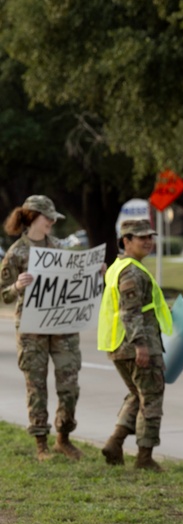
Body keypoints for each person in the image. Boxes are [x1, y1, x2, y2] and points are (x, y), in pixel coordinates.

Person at [1, 195, 84, 461]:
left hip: (62, 326)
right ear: (32, 217)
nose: (51, 222)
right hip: (31, 329)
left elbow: (76, 281)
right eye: (47, 217)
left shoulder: (59, 249)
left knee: (69, 384)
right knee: (36, 385)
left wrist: (93, 272)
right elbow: (3, 295)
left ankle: (64, 438)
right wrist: (16, 287)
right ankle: (41, 444)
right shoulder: (16, 253)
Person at [98, 218, 173, 471]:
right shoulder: (131, 271)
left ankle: (115, 442)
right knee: (151, 398)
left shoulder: (118, 267)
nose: (148, 241)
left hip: (119, 345)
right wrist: (141, 345)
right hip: (137, 345)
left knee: (136, 395)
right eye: (141, 238)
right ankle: (144, 458)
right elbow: (130, 312)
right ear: (126, 241)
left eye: (150, 237)